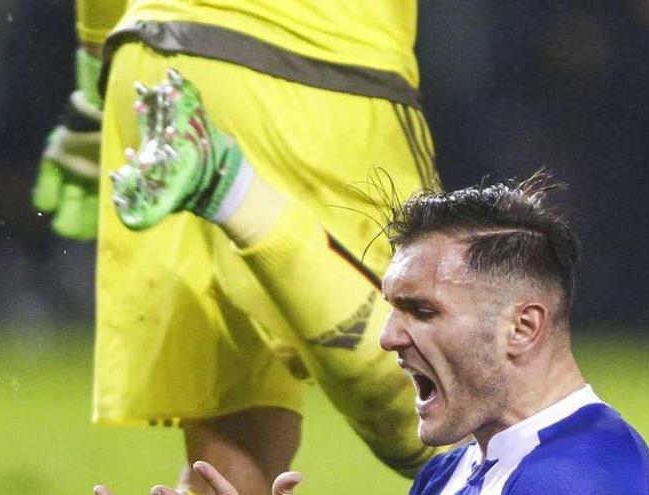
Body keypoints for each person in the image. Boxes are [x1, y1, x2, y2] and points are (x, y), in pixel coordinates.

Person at [33, 1, 441, 493]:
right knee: (446, 413)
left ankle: (217, 179)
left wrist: (94, 79)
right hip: (317, 64)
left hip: (153, 74)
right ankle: (227, 186)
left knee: (236, 443)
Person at [125, 174, 649, 495]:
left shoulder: (580, 479)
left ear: (522, 328)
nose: (388, 338)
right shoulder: (451, 471)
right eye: (393, 309)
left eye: (423, 311)